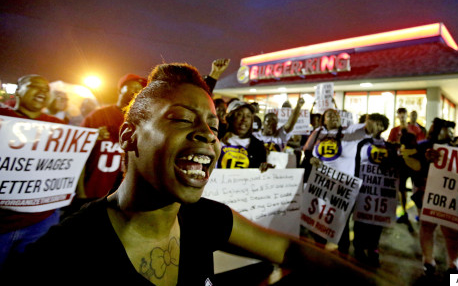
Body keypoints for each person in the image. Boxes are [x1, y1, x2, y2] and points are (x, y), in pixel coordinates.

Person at [2, 63, 389, 286]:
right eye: (182, 119)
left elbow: (290, 250)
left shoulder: (206, 218)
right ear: (129, 136)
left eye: (213, 126)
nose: (207, 134)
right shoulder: (61, 257)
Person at [0, 75, 64, 270]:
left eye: (46, 89)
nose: (43, 92)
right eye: (35, 86)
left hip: (41, 220)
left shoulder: (58, 126)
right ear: (18, 90)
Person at [70, 73, 147, 216]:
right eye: (132, 87)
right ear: (119, 90)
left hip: (126, 196)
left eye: (140, 89)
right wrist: (81, 193)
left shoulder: (143, 121)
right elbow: (76, 153)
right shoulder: (97, 116)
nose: (136, 92)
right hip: (94, 191)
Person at [302, 108, 370, 254]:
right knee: (320, 215)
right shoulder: (318, 132)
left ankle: (343, 250)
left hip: (342, 184)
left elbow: (366, 129)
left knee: (340, 218)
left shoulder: (349, 131)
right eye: (329, 116)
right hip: (321, 182)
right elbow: (307, 151)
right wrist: (311, 159)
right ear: (324, 120)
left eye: (335, 115)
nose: (333, 118)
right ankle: (320, 246)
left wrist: (371, 121)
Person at [414, 118, 458, 276]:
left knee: (451, 231)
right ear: (436, 130)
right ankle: (428, 260)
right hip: (426, 192)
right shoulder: (422, 147)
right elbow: (414, 168)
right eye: (446, 129)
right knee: (427, 226)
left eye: (451, 130)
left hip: (449, 195)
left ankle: (453, 264)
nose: (450, 133)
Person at [353, 113, 400, 266]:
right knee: (360, 220)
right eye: (371, 122)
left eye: (378, 124)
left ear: (383, 127)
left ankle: (374, 248)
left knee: (376, 221)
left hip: (380, 189)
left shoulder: (388, 146)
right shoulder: (359, 142)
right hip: (362, 187)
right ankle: (358, 248)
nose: (374, 125)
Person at [218, 100, 269, 170]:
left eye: (248, 116)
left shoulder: (258, 146)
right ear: (230, 117)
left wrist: (264, 168)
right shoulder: (217, 137)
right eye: (239, 114)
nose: (244, 119)